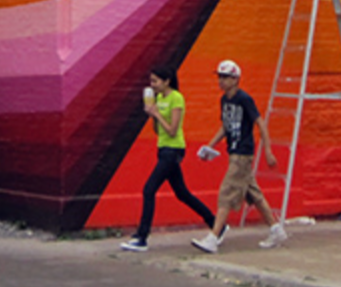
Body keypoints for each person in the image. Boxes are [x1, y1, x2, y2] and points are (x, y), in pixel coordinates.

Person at [191, 59, 287, 252]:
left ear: (235, 79)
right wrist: (210, 146)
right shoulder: (224, 101)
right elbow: (225, 126)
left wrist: (268, 151)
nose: (221, 81)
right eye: (219, 77)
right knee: (254, 194)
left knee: (227, 191)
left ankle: (213, 236)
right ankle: (276, 229)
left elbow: (260, 123)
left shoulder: (244, 99)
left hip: (243, 153)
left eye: (225, 77)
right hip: (233, 151)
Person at [120, 65, 218, 251]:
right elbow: (158, 131)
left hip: (173, 150)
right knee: (182, 193)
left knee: (149, 189)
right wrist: (152, 116)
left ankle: (142, 237)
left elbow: (173, 130)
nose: (153, 85)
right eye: (151, 81)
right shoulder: (158, 98)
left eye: (156, 81)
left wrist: (157, 113)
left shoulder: (176, 98)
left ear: (167, 81)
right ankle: (214, 223)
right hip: (162, 148)